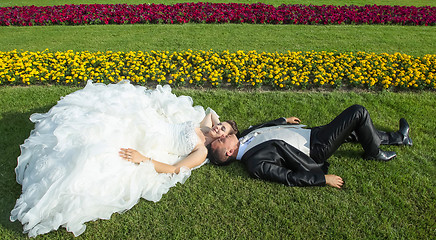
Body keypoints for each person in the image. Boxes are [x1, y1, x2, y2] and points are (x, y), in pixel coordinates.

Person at [10, 80, 237, 237]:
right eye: (221, 125)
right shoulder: (206, 125)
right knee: (107, 112)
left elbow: (174, 169)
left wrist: (143, 158)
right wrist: (226, 127)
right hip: (150, 123)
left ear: (223, 139)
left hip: (151, 142)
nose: (218, 127)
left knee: (98, 145)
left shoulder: (201, 151)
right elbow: (212, 113)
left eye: (222, 130)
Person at [208, 104, 412, 189]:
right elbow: (288, 177)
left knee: (352, 132)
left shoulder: (242, 137)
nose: (224, 135)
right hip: (315, 147)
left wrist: (283, 120)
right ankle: (374, 153)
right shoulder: (255, 163)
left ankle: (399, 138)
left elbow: (263, 128)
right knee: (357, 113)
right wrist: (323, 179)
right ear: (229, 151)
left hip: (310, 133)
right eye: (221, 139)